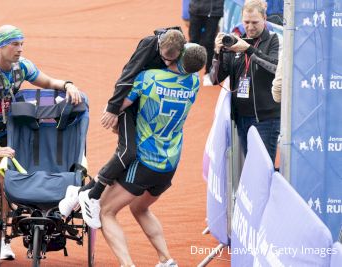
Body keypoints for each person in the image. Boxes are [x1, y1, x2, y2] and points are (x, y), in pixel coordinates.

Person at [0, 24, 83, 260]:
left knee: (8, 185)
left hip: (8, 130)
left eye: (21, 44)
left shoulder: (22, 66)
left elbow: (47, 82)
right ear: (0, 46)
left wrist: (67, 84)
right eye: (14, 44)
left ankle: (4, 240)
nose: (19, 49)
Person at [59, 28, 188, 228]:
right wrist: (113, 109)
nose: (166, 63)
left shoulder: (181, 49)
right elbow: (127, 76)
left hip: (144, 109)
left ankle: (77, 193)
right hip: (126, 103)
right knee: (128, 152)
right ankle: (91, 196)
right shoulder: (149, 44)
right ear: (159, 45)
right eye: (163, 58)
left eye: (171, 60)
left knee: (131, 159)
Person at [100, 39, 207, 267]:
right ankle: (166, 260)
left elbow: (120, 105)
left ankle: (127, 264)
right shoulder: (194, 82)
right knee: (140, 207)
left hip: (144, 162)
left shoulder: (149, 78)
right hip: (169, 163)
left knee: (105, 211)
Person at [209, 0, 280, 162]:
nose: (250, 27)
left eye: (255, 22)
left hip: (266, 119)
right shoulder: (235, 43)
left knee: (262, 167)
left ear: (264, 18)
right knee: (250, 166)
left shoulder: (273, 40)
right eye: (246, 22)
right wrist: (217, 54)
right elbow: (215, 79)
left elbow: (275, 68)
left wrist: (248, 50)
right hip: (242, 117)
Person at [188, 0, 224, 86]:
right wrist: (185, 13)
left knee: (209, 42)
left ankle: (208, 73)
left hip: (214, 11)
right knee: (193, 41)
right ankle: (190, 71)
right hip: (196, 9)